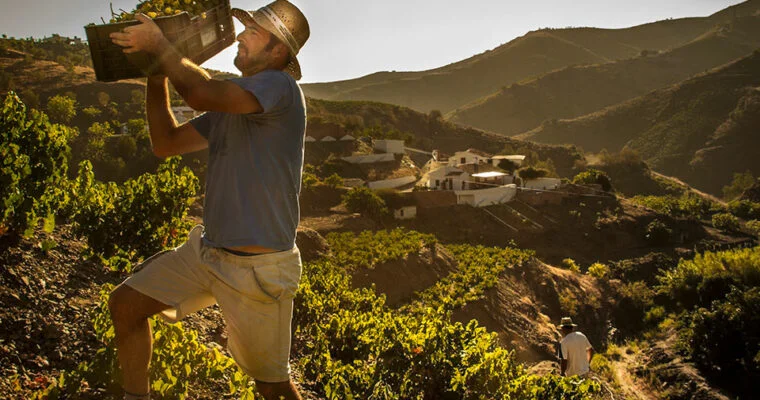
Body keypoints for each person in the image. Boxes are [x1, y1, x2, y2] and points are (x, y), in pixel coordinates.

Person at [106, 1, 310, 399]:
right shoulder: (230, 107)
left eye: (254, 33)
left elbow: (199, 92)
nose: (240, 36)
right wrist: (155, 72)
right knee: (126, 306)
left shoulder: (278, 86)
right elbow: (166, 144)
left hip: (256, 270)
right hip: (209, 252)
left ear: (277, 52)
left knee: (273, 387)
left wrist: (162, 45)